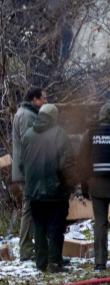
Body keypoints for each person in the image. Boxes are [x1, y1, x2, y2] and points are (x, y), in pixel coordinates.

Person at [77, 103, 110, 271]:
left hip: (96, 185)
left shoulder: (89, 134)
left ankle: (100, 261)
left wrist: (84, 184)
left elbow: (82, 160)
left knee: (100, 223)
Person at [20, 104, 74, 273]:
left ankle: (41, 262)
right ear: (54, 116)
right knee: (56, 226)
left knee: (39, 226)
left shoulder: (28, 135)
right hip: (55, 190)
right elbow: (67, 164)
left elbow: (22, 164)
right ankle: (55, 262)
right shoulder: (60, 134)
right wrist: (69, 184)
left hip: (34, 191)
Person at [12, 86, 47, 262]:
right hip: (28, 171)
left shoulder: (25, 113)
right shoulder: (27, 116)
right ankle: (26, 249)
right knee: (29, 208)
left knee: (32, 207)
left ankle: (29, 247)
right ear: (35, 100)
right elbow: (29, 144)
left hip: (28, 170)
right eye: (44, 99)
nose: (46, 102)